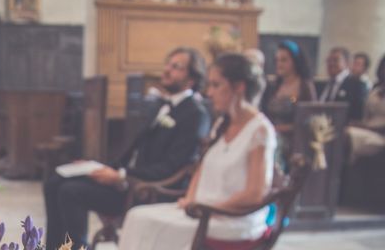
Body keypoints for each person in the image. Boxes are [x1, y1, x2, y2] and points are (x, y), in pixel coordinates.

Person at [43, 47, 211, 250]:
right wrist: (98, 166)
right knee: (54, 181)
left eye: (176, 67)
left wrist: (121, 175)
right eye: (168, 64)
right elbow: (134, 152)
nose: (166, 70)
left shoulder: (195, 114)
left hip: (147, 189)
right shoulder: (161, 105)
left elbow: (172, 166)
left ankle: (77, 247)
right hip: (126, 180)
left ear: (191, 79)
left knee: (70, 192)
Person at [118, 53, 276, 250]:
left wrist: (214, 208)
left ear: (239, 87)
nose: (209, 93)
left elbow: (255, 193)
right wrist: (191, 199)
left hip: (234, 221)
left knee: (158, 228)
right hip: (203, 210)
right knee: (137, 217)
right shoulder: (222, 123)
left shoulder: (260, 130)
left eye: (216, 85)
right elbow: (201, 169)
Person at [346, 54, 385, 162]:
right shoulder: (376, 89)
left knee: (347, 136)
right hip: (367, 130)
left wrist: (366, 127)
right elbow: (366, 116)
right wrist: (358, 124)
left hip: (381, 136)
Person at [319, 47, 369, 122]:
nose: (331, 64)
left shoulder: (357, 85)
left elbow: (358, 114)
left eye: (335, 60)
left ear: (347, 63)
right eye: (328, 61)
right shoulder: (321, 85)